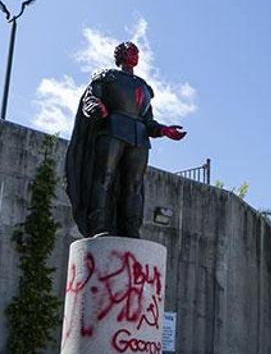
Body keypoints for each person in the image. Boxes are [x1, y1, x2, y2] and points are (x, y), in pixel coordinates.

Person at [65, 41, 186, 238]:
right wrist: (97, 108)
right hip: (112, 130)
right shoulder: (107, 77)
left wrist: (164, 130)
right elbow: (91, 99)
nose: (136, 54)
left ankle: (131, 230)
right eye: (131, 51)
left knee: (134, 185)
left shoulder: (144, 87)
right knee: (104, 178)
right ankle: (98, 226)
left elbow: (148, 121)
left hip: (139, 138)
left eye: (137, 52)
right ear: (121, 55)